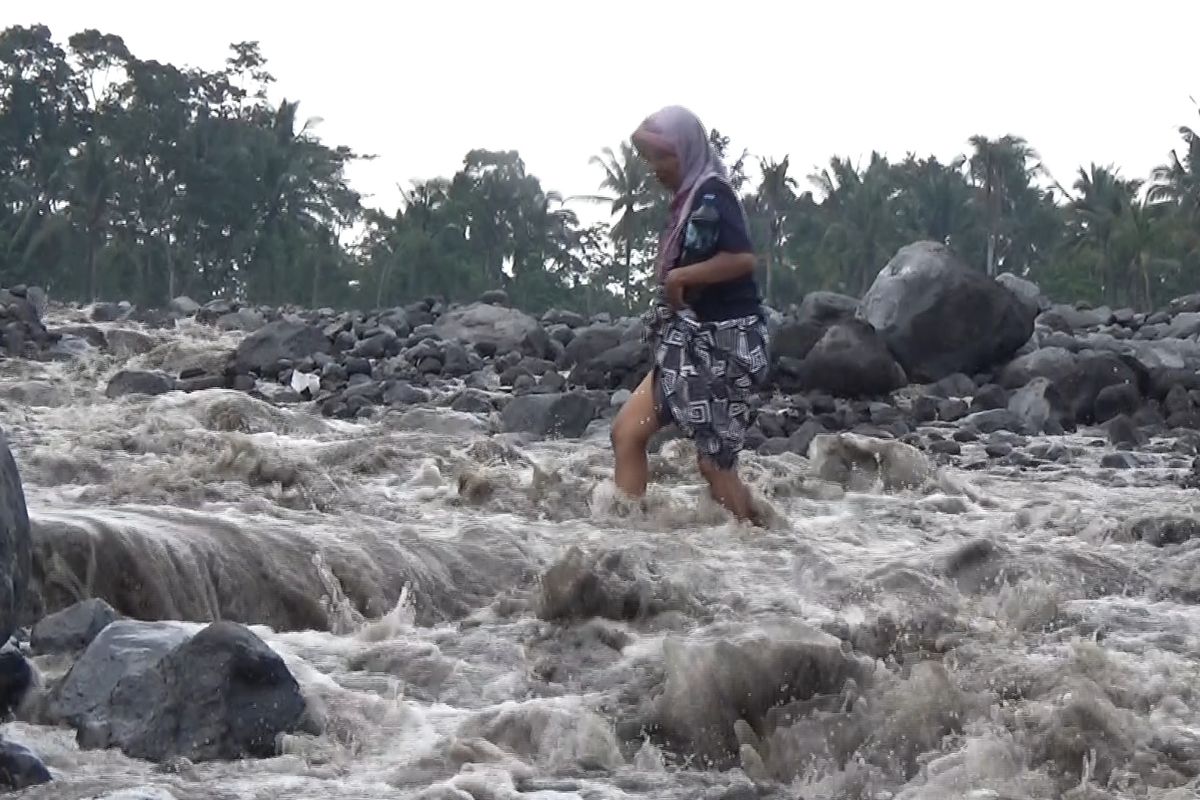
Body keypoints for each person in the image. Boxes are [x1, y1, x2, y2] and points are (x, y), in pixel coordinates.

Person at [610, 105, 770, 524]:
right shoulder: (687, 202)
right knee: (627, 432)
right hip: (689, 344)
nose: (656, 169)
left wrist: (682, 274)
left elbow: (742, 259)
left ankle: (762, 550)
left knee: (713, 463)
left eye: (663, 157)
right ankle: (626, 541)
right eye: (650, 160)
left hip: (727, 344)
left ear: (687, 150)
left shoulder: (713, 192)